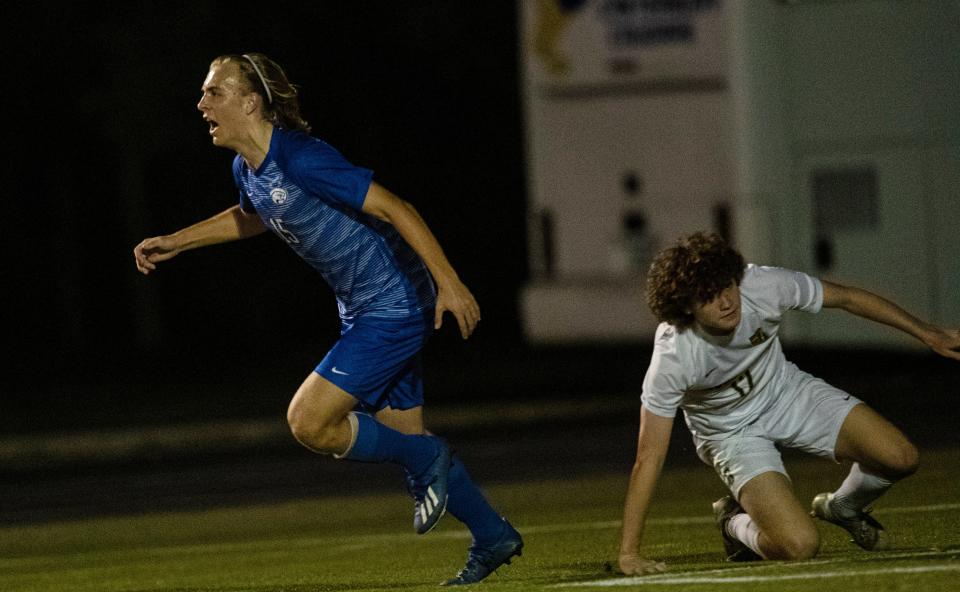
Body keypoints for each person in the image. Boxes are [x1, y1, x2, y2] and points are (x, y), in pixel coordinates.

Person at [133, 53, 522, 586]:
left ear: (251, 102)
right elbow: (255, 215)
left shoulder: (303, 159)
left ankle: (426, 457)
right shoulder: (247, 168)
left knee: (309, 422)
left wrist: (449, 283)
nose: (202, 105)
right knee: (403, 438)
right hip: (363, 309)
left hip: (393, 305)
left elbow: (395, 207)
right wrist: (177, 241)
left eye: (213, 93)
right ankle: (493, 535)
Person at [617, 231, 960, 575]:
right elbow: (650, 456)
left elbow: (847, 298)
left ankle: (843, 507)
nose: (726, 302)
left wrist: (927, 332)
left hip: (787, 393)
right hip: (731, 434)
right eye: (709, 297)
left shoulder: (762, 284)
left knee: (901, 458)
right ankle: (734, 523)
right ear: (685, 306)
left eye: (727, 286)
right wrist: (629, 553)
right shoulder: (674, 355)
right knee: (799, 545)